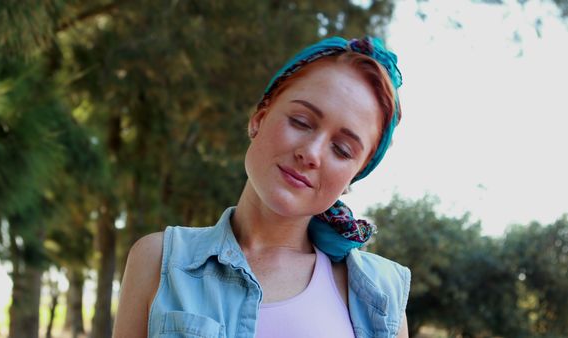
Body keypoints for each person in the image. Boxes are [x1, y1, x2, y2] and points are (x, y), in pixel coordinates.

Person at [113, 36, 410, 338]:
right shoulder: (157, 260)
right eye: (301, 121)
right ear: (259, 118)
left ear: (353, 177)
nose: (311, 153)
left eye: (343, 150)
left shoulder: (384, 297)